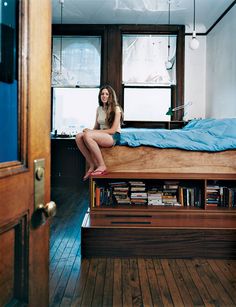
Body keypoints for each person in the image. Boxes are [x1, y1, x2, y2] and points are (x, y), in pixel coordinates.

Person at [75, 85, 123, 181]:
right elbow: (96, 127)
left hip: (112, 136)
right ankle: (92, 164)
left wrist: (91, 132)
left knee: (88, 135)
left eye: (107, 94)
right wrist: (89, 130)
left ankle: (102, 165)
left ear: (110, 96)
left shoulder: (116, 109)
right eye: (102, 94)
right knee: (79, 136)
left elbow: (112, 130)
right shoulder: (99, 108)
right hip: (102, 135)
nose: (104, 96)